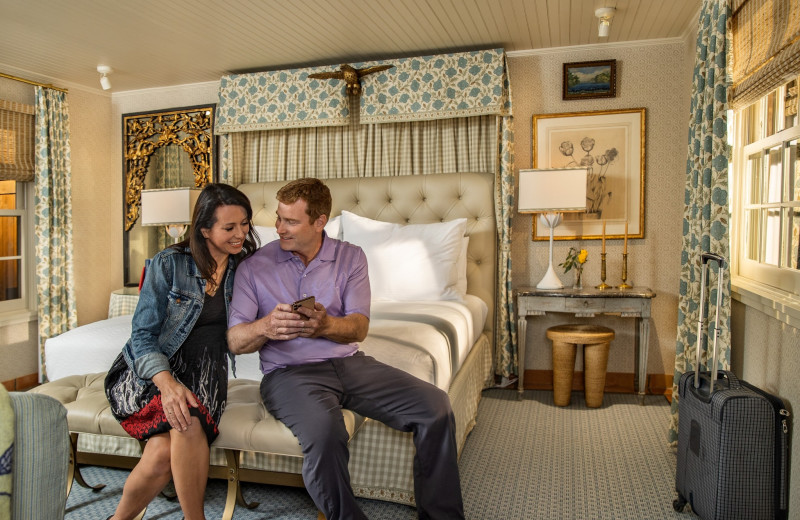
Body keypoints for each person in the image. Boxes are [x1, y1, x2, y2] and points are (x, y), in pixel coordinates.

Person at [227, 178, 465, 520]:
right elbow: (235, 341)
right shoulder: (253, 267)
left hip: (350, 365)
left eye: (291, 221)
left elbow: (360, 327)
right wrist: (266, 326)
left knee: (436, 406)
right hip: (289, 376)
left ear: (320, 221)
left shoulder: (350, 258)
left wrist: (326, 326)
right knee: (325, 431)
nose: (279, 228)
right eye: (278, 218)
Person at [104, 183, 259, 520]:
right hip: (151, 374)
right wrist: (168, 385)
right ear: (204, 229)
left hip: (205, 374)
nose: (241, 234)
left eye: (245, 223)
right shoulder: (169, 264)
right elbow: (142, 336)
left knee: (161, 452)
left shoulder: (246, 266)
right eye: (229, 227)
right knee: (185, 421)